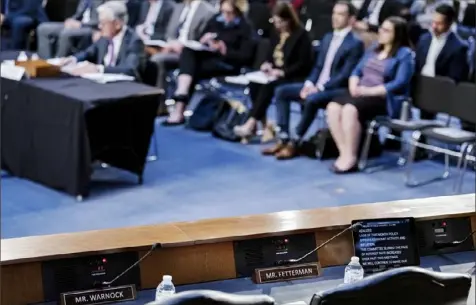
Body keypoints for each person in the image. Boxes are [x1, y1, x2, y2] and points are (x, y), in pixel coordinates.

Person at [261, 1, 364, 159]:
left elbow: (343, 75)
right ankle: (283, 138)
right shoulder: (328, 37)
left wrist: (319, 88)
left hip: (336, 89)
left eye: (341, 14)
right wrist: (309, 83)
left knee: (312, 99)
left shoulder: (355, 44)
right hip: (317, 85)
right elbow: (318, 67)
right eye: (334, 13)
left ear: (351, 19)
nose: (335, 18)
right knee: (281, 91)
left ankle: (294, 142)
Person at [326, 16, 414, 173]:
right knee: (333, 107)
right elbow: (357, 70)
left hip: (382, 98)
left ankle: (351, 157)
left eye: (386, 30)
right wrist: (354, 84)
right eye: (381, 28)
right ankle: (344, 152)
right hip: (361, 92)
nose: (381, 32)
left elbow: (399, 83)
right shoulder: (374, 48)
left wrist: (369, 91)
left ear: (397, 34)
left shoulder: (404, 54)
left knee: (349, 110)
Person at [162, 0, 254, 126]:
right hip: (209, 58)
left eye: (229, 13)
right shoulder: (217, 20)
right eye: (223, 12)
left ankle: (180, 103)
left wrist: (225, 50)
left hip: (228, 64)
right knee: (189, 52)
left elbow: (245, 57)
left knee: (191, 67)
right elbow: (202, 36)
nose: (225, 16)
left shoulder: (245, 28)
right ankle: (181, 95)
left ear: (237, 12)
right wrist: (205, 40)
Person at [233, 2, 313, 142]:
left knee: (268, 86)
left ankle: (251, 123)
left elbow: (303, 64)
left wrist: (282, 72)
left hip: (292, 75)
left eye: (280, 22)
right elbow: (270, 55)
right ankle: (264, 125)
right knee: (255, 84)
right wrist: (267, 64)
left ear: (288, 20)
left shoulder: (301, 36)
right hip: (274, 73)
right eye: (275, 21)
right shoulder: (275, 33)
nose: (277, 25)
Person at [60, 1, 144, 78]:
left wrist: (99, 69)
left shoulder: (134, 41)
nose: (99, 26)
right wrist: (73, 59)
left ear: (117, 24)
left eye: (103, 23)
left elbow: (130, 69)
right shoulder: (104, 37)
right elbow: (89, 52)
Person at [149, 0, 216, 90]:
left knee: (157, 59)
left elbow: (201, 40)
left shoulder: (208, 11)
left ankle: (158, 98)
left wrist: (182, 45)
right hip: (171, 47)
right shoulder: (179, 7)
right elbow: (169, 33)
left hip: (189, 53)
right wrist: (171, 43)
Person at [37, 0, 108, 58]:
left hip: (92, 28)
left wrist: (81, 25)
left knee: (66, 33)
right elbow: (78, 14)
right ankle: (45, 62)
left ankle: (59, 62)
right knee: (43, 28)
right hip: (78, 24)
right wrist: (71, 20)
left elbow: (102, 20)